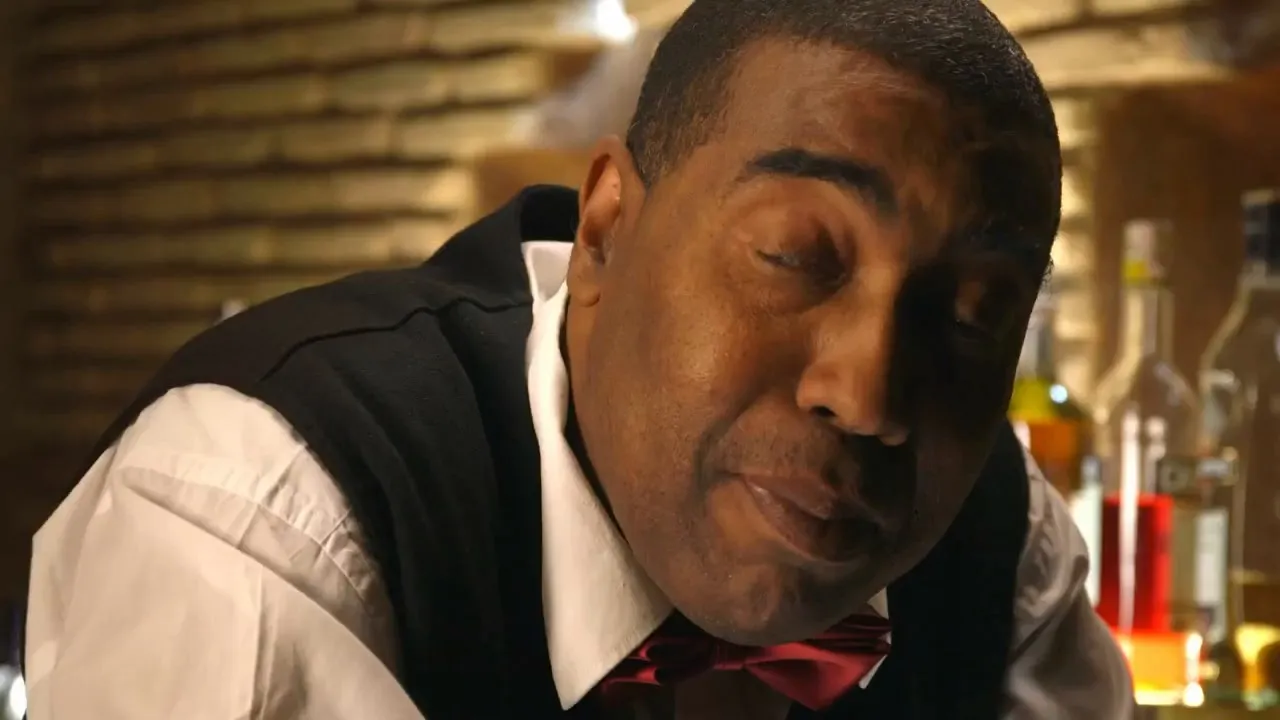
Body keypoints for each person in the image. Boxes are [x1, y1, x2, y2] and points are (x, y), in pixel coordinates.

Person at [23, 0, 1133, 717]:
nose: (870, 393)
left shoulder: (999, 545)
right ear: (604, 228)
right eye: (796, 257)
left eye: (972, 314)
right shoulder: (267, 512)